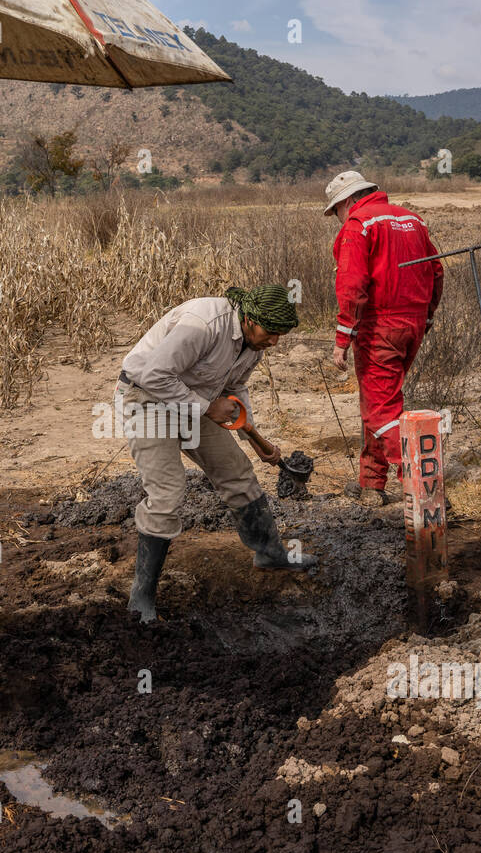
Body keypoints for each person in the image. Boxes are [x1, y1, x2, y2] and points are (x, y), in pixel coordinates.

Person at [118, 285, 317, 623]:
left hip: (195, 403)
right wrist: (207, 407)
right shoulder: (203, 325)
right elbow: (153, 376)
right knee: (167, 492)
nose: (275, 342)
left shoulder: (254, 343)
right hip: (147, 400)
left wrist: (253, 436)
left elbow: (235, 389)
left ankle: (270, 553)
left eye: (280, 336)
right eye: (271, 334)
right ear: (250, 319)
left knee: (237, 472)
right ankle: (142, 597)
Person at [326, 171, 443, 505]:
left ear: (347, 201)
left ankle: (422, 484)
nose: (337, 217)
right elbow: (436, 270)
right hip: (414, 323)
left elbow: (351, 284)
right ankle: (372, 483)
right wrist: (428, 313)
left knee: (380, 411)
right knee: (382, 400)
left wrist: (342, 335)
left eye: (336, 210)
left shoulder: (358, 224)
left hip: (379, 326)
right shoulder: (412, 220)